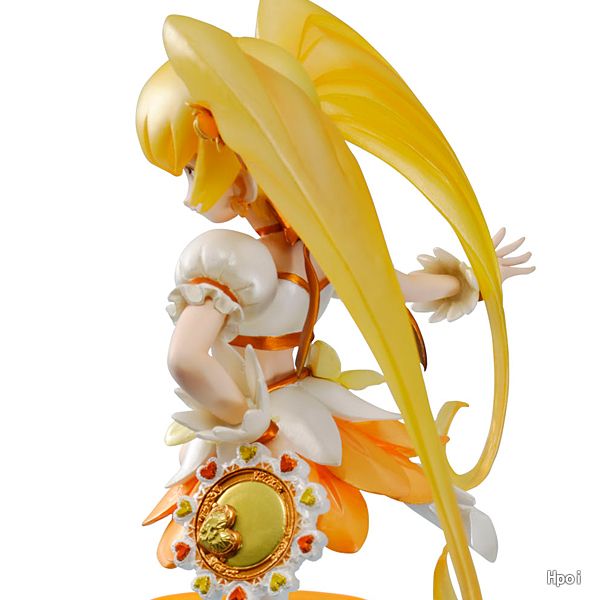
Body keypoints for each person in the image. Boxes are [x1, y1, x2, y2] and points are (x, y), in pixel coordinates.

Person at [136, 1, 534, 598]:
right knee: (240, 546)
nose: (189, 190)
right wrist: (242, 415)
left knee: (400, 469)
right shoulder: (229, 258)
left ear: (235, 159)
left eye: (192, 169)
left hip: (291, 401)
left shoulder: (314, 252)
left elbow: (391, 286)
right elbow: (185, 360)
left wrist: (473, 279)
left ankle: (454, 532)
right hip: (255, 416)